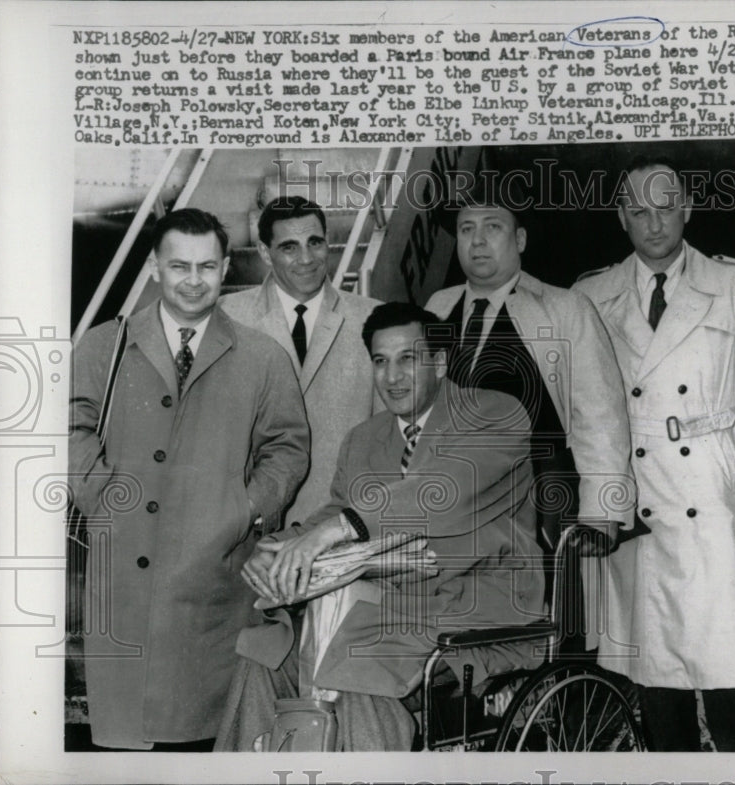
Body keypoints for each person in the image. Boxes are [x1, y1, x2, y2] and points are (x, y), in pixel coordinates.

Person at [241, 302, 545, 750]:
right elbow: (335, 510)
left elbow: (443, 490)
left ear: (440, 362)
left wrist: (333, 533)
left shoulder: (496, 413)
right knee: (262, 657)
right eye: (380, 361)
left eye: (408, 358)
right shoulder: (364, 438)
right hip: (388, 603)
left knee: (359, 658)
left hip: (481, 599)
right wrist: (276, 547)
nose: (392, 376)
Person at [68, 208, 309, 750]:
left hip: (214, 585)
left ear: (226, 269)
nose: (194, 281)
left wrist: (243, 508)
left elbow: (288, 449)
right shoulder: (104, 346)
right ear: (156, 267)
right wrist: (101, 497)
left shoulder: (262, 357)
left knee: (206, 743)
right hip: (123, 581)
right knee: (124, 750)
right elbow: (69, 425)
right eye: (179, 266)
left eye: (206, 266)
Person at [574, 156, 735, 751]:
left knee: (731, 672)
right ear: (620, 217)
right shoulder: (591, 293)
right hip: (642, 495)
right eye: (638, 211)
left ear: (686, 209)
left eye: (665, 208)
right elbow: (584, 407)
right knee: (656, 674)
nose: (653, 223)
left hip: (715, 492)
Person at [425, 180, 636, 564]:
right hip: (448, 507)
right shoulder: (437, 308)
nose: (477, 241)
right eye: (466, 229)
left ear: (520, 240)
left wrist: (602, 513)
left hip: (540, 507)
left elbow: (600, 417)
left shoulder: (565, 308)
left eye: (492, 227)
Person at [220, 195, 380, 525]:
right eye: (289, 247)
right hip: (251, 529)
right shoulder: (227, 316)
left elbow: (390, 433)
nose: (306, 258)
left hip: (342, 524)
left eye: (315, 242)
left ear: (328, 243)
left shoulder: (373, 318)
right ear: (265, 252)